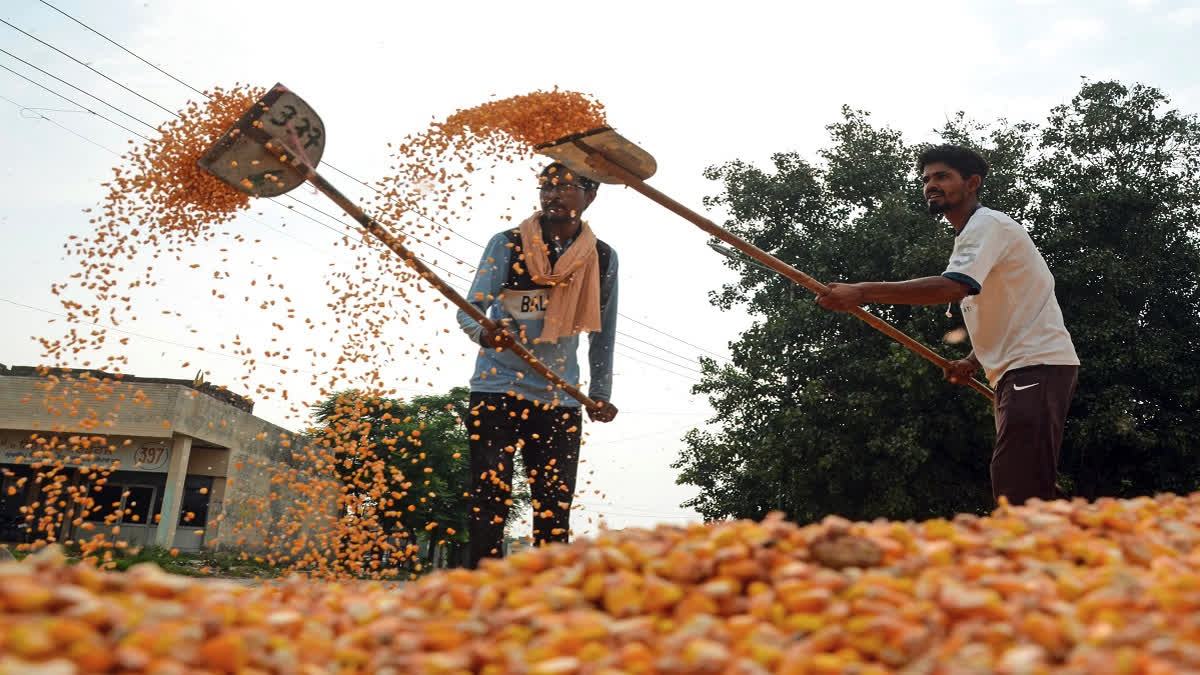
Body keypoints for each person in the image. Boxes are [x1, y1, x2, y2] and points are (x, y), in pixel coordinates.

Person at [815, 144, 1079, 506]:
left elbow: (953, 286)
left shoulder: (987, 226)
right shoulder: (973, 235)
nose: (930, 185)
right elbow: (1006, 310)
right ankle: (1105, 549)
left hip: (1036, 365)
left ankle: (1025, 558)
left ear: (972, 183)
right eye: (926, 179)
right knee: (1033, 480)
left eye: (942, 176)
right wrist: (972, 361)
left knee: (1015, 482)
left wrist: (861, 291)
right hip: (1016, 371)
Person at [457, 162, 619, 567]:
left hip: (559, 397)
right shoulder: (508, 243)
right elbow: (469, 309)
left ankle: (549, 594)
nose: (552, 195)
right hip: (496, 388)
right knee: (488, 497)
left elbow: (603, 332)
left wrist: (599, 395)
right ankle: (482, 588)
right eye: (546, 186)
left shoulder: (600, 257)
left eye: (564, 187)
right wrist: (485, 331)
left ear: (590, 195)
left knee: (553, 505)